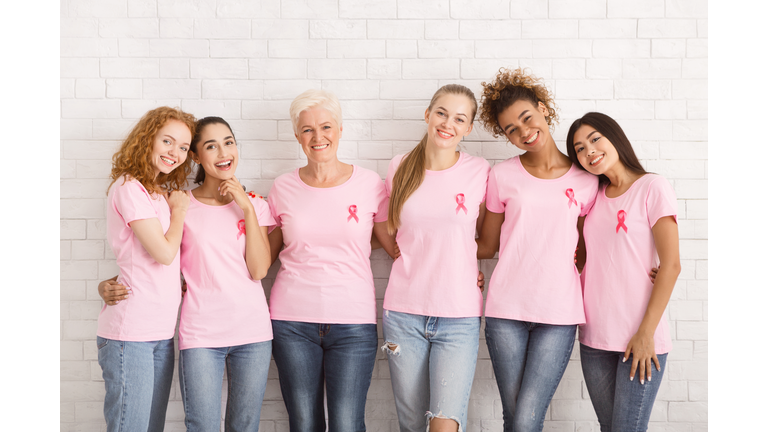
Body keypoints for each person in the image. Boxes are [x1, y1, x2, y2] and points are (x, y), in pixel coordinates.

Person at [99, 117, 276, 431]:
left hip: (253, 333)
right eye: (210, 145)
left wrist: (246, 207)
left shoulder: (257, 205)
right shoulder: (176, 204)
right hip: (200, 334)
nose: (223, 152)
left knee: (245, 426)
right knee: (201, 425)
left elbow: (259, 269)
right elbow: (152, 254)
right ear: (196, 157)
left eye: (228, 142)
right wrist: (108, 284)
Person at [475, 68, 599, 432]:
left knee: (525, 418)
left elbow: (591, 244)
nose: (523, 131)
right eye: (511, 129)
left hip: (559, 313)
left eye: (527, 117)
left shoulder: (588, 180)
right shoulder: (501, 176)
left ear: (543, 109)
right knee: (516, 418)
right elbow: (487, 245)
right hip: (506, 311)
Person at [266, 89, 389, 432]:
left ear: (340, 129)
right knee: (304, 424)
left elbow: (391, 244)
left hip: (353, 321)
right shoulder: (282, 187)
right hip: (291, 322)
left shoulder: (370, 185)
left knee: (347, 424)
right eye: (307, 130)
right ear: (297, 136)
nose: (317, 137)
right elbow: (263, 255)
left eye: (326, 127)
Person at [376, 84, 490, 432]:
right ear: (427, 115)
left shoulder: (480, 172)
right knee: (411, 423)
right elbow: (384, 225)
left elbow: (482, 239)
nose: (447, 123)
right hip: (403, 314)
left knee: (445, 423)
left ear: (468, 128)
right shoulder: (399, 167)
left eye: (459, 118)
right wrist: (395, 250)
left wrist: (466, 263)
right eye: (441, 113)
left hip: (459, 316)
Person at [567, 112, 680, 432]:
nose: (588, 151)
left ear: (614, 137)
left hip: (640, 337)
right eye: (579, 149)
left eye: (594, 139)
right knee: (610, 427)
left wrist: (646, 334)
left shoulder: (652, 187)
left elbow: (671, 264)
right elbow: (579, 258)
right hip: (594, 337)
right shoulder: (592, 198)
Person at [96, 106, 196, 432]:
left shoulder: (156, 193)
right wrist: (180, 210)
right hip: (131, 334)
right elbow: (164, 253)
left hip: (160, 333)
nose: (175, 153)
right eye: (168, 141)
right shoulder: (129, 187)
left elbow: (155, 261)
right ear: (148, 138)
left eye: (183, 147)